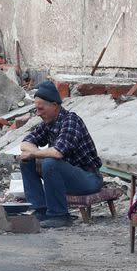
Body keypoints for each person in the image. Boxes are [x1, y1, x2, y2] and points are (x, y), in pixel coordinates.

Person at [19, 80, 103, 228]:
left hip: (89, 178)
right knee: (26, 161)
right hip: (67, 178)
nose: (37, 113)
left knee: (50, 162)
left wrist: (34, 153)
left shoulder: (71, 120)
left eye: (41, 109)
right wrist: (32, 154)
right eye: (36, 109)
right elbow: (24, 144)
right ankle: (41, 210)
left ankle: (60, 215)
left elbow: (57, 153)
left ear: (55, 106)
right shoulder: (48, 123)